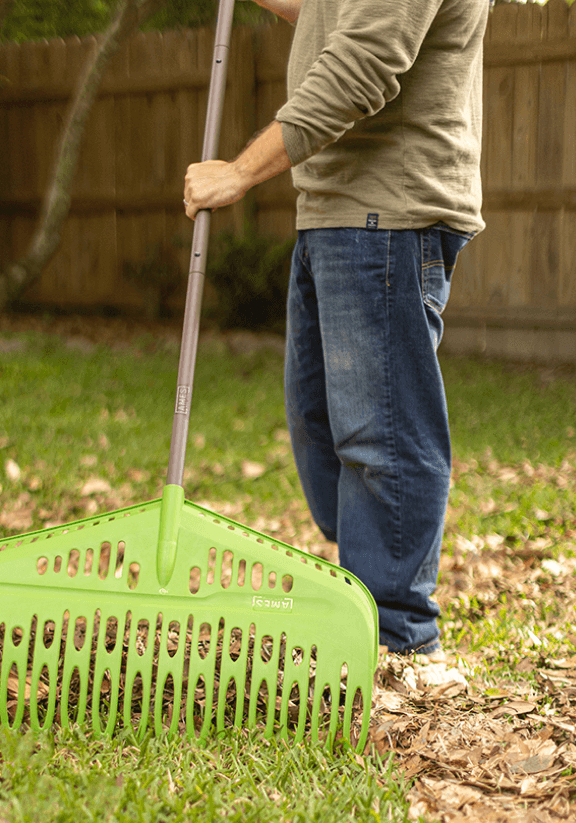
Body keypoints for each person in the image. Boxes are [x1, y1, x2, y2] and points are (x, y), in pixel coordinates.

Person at [183, 0, 489, 655]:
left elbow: (363, 63)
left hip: (388, 209)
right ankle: (364, 593)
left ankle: (401, 640)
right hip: (335, 207)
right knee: (320, 424)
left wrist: (238, 172)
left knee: (382, 438)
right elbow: (338, 10)